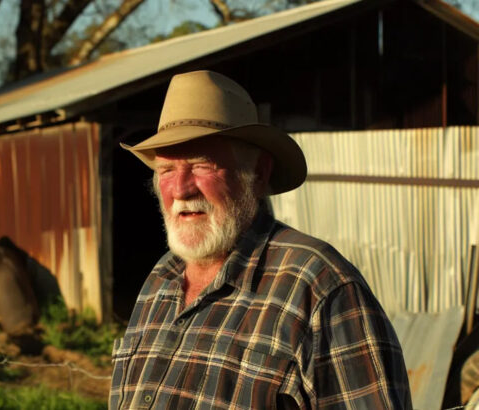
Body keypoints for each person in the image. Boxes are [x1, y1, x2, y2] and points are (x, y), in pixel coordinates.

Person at [110, 71, 412, 409]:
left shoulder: (319, 287)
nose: (180, 189)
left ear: (258, 173)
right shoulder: (161, 279)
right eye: (166, 171)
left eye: (202, 165)